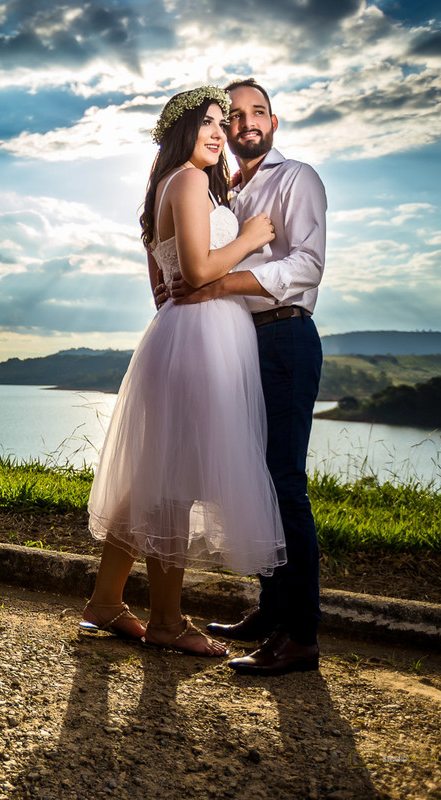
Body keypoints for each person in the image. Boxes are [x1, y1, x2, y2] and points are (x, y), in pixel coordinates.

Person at [79, 86, 286, 656]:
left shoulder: (163, 190)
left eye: (223, 124)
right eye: (208, 124)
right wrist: (249, 237)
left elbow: (161, 287)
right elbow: (194, 272)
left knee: (156, 474)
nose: (219, 133)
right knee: (177, 484)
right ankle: (167, 620)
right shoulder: (192, 182)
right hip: (200, 341)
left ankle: (105, 599)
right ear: (181, 132)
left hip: (178, 334)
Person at [168, 79, 328, 676]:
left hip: (284, 334)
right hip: (242, 341)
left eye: (257, 111)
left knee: (284, 479)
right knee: (256, 478)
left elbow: (306, 266)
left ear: (275, 122)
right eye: (233, 115)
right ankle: (269, 609)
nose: (244, 122)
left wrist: (218, 283)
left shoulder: (297, 179)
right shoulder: (225, 190)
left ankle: (300, 634)